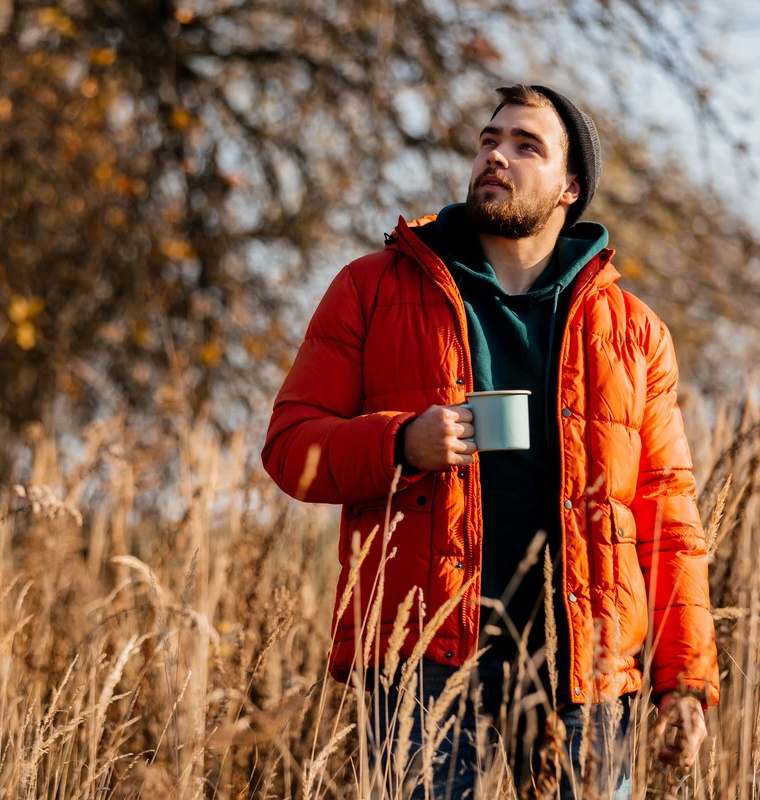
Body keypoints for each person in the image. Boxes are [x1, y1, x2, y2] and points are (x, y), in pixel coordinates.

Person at [261, 83, 718, 798]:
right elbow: (291, 448)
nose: (495, 156)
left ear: (571, 187)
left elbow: (668, 517)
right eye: (488, 140)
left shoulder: (633, 332)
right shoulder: (371, 289)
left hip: (587, 674)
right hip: (425, 662)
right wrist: (399, 445)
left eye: (524, 145)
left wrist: (684, 682)